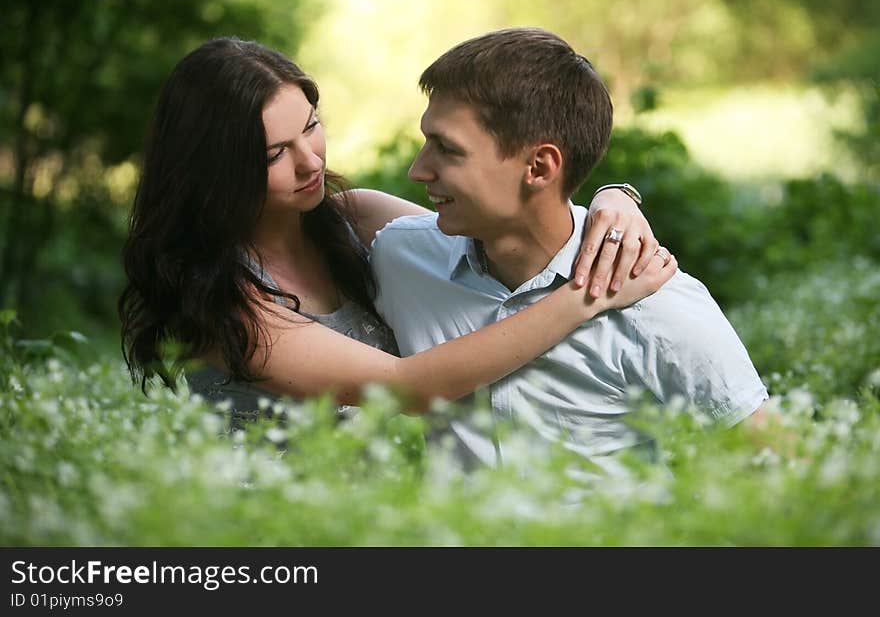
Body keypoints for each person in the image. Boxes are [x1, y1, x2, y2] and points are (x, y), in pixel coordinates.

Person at [118, 37, 675, 426]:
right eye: (273, 154)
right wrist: (585, 298)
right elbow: (405, 389)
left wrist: (614, 199)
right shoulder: (222, 296)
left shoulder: (355, 220)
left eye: (311, 127)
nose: (310, 162)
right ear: (212, 167)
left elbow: (500, 220)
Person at [371, 27, 768, 470]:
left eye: (446, 149)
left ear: (539, 167)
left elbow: (773, 460)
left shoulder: (654, 298)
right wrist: (619, 192)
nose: (417, 169)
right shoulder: (401, 259)